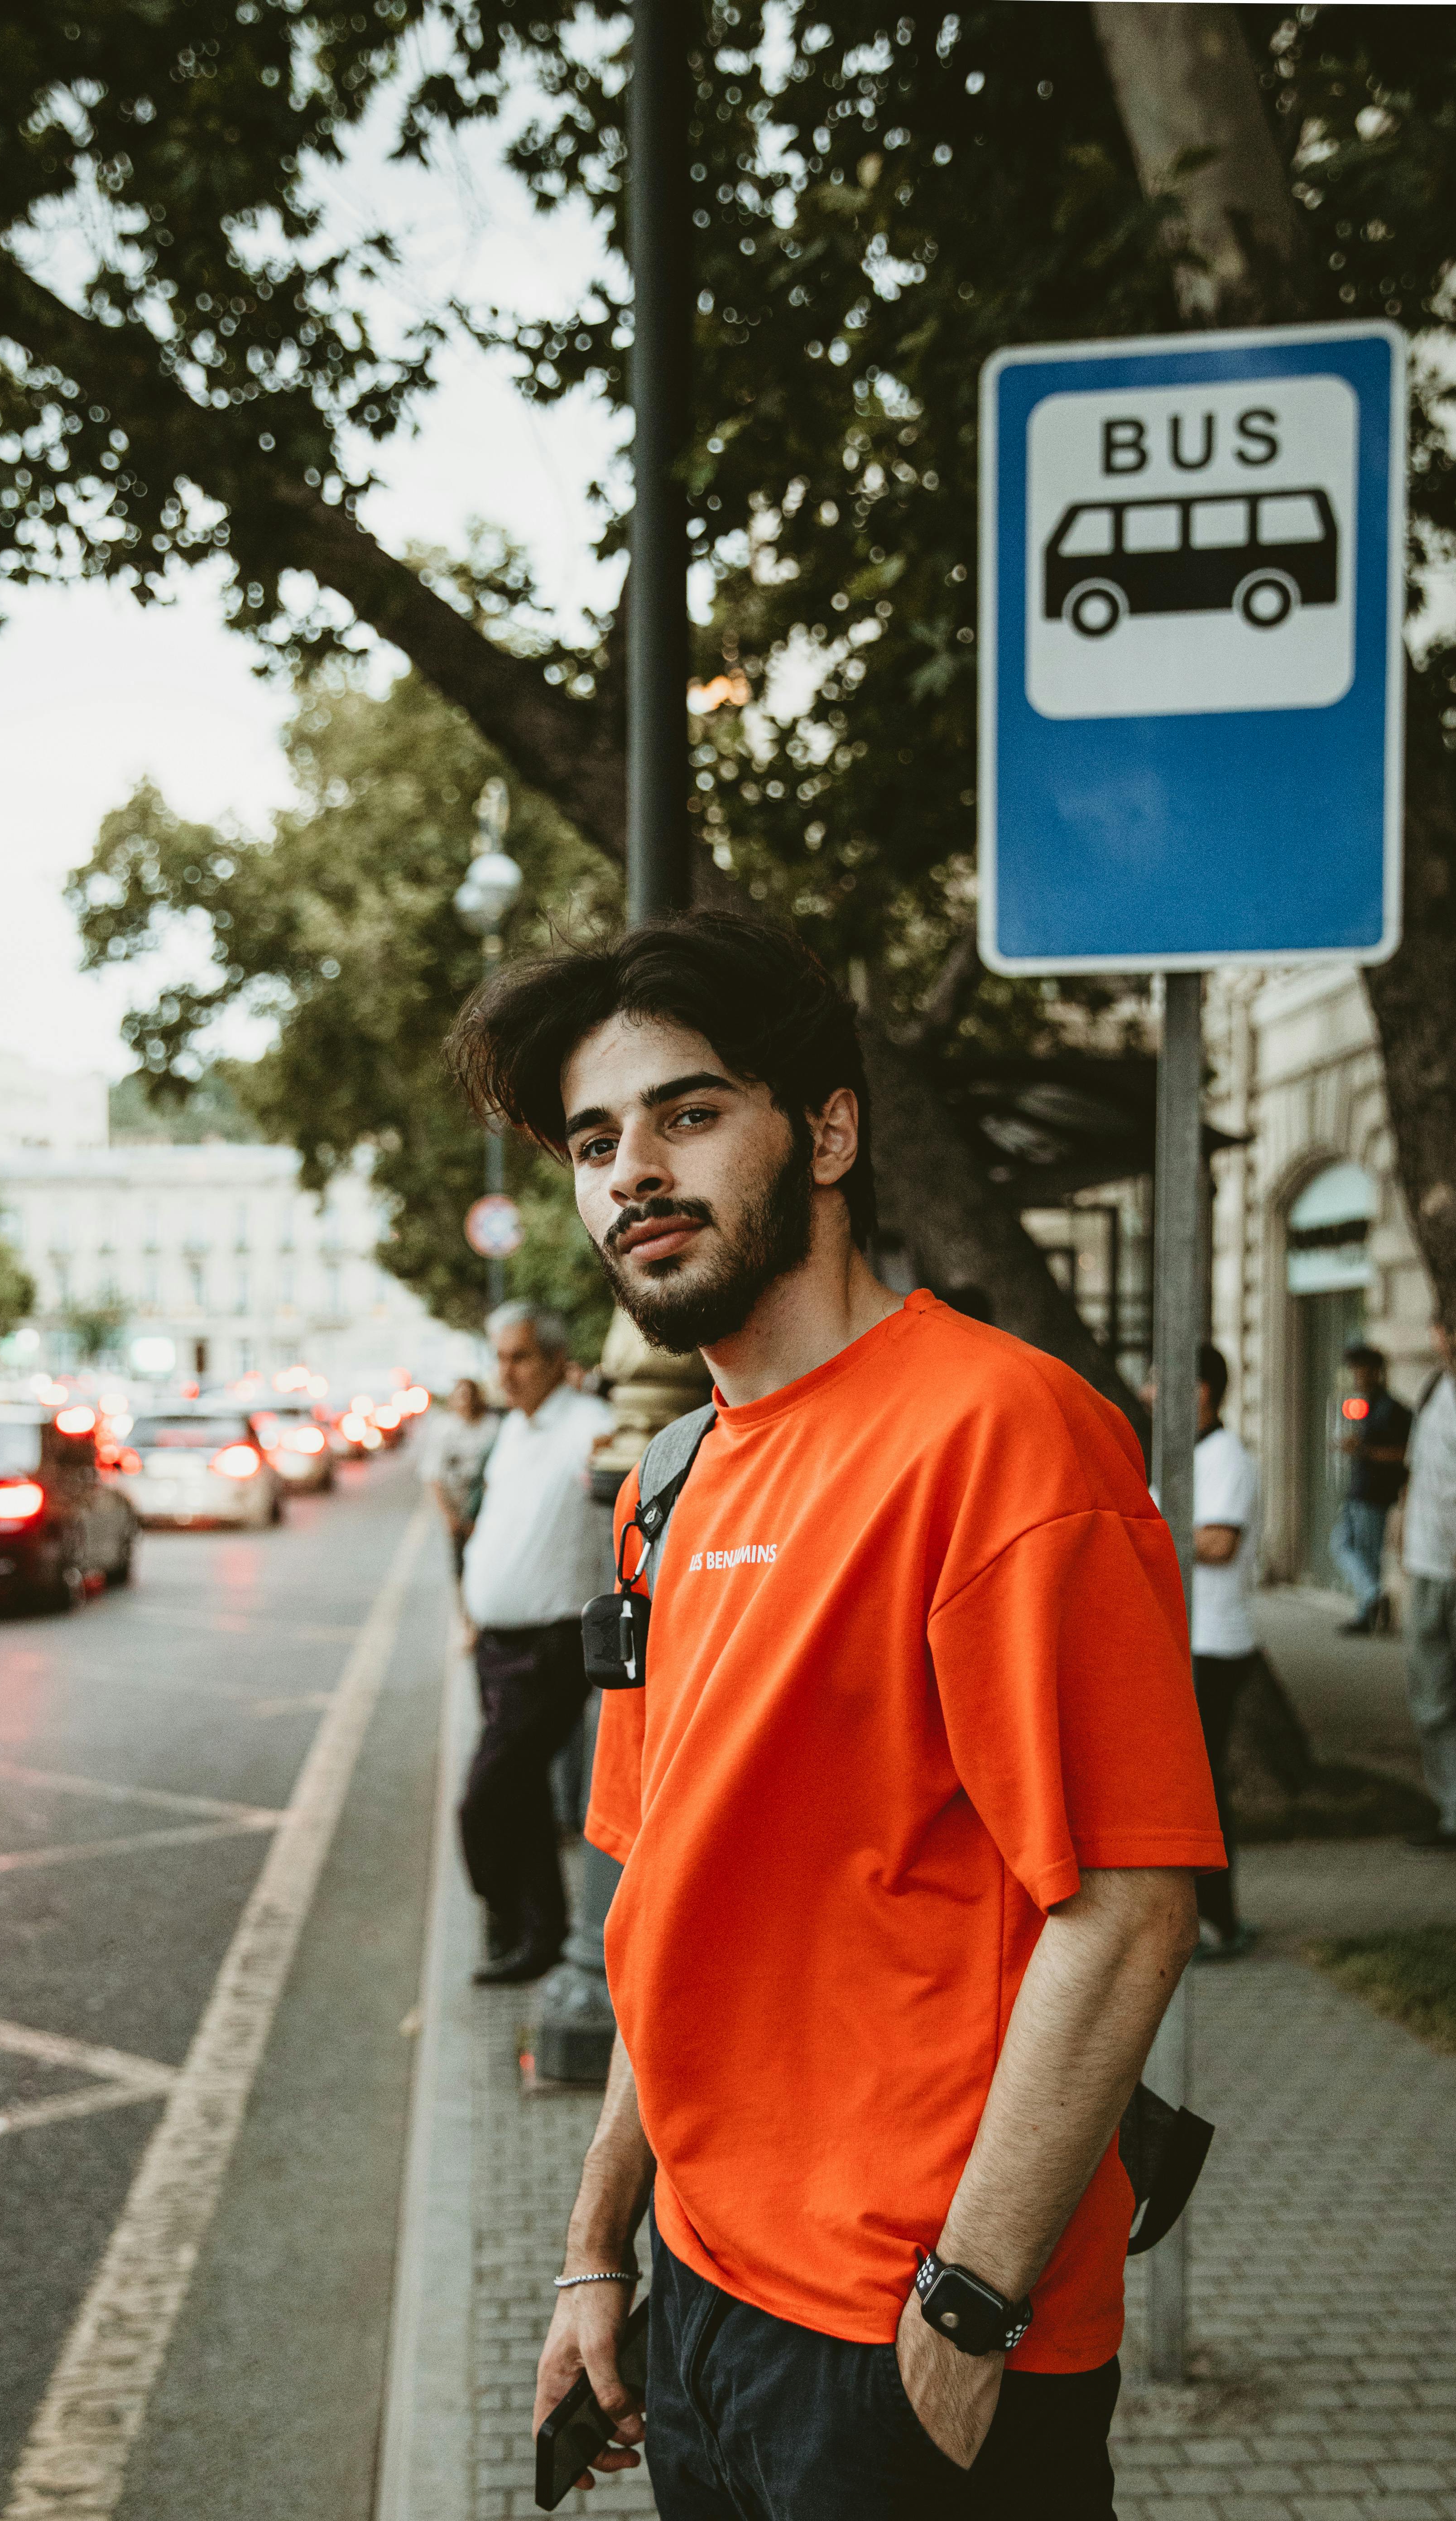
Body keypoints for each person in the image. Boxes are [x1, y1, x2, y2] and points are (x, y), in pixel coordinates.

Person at [446, 911, 1224, 2520]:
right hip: (703, 2307)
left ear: (829, 1131)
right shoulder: (666, 1489)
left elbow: (1132, 1907)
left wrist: (964, 2317)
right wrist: (595, 2257)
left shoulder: (1003, 1435)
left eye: (689, 1112)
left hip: (916, 2331)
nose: (632, 1174)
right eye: (597, 1143)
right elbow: (665, 1903)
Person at [458, 1302, 612, 1986]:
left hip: (552, 1643)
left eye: (519, 1357)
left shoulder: (590, 1430)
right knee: (518, 1795)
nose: (505, 1371)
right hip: (495, 1642)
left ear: (555, 1359)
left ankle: (506, 1914)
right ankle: (536, 1932)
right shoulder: (513, 1430)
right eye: (498, 1357)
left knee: (487, 1796)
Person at [1401, 1323, 1456, 1860]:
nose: (1447, 1336)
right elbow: (1420, 1469)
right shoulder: (1434, 1387)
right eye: (1442, 1326)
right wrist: (1401, 1522)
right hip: (1425, 1564)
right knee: (1433, 1698)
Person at [1187, 1342, 1261, 1961]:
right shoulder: (1190, 1456)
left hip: (1214, 1642)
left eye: (1165, 1381)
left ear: (1202, 1389)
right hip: (1190, 1640)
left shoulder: (1225, 1458)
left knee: (1203, 1788)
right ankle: (1208, 1914)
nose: (1152, 1394)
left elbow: (1216, 1543)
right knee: (1193, 1786)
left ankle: (1220, 1921)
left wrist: (1149, 1528)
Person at [1329, 1342, 1411, 1634]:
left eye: (1361, 1369)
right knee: (1348, 1548)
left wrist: (1363, 1449)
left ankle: (1372, 1603)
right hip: (1360, 1491)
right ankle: (1371, 1606)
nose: (1356, 1376)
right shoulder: (1368, 1406)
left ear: (1376, 1371)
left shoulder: (1393, 1409)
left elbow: (1403, 1453)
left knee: (1360, 1551)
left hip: (1376, 1494)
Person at [424, 1376, 498, 1582]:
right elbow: (433, 1477)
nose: (466, 1401)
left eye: (470, 1395)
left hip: (485, 1507)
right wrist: (449, 1516)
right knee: (461, 1567)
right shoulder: (444, 1429)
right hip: (457, 1506)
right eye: (461, 1396)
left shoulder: (492, 1427)